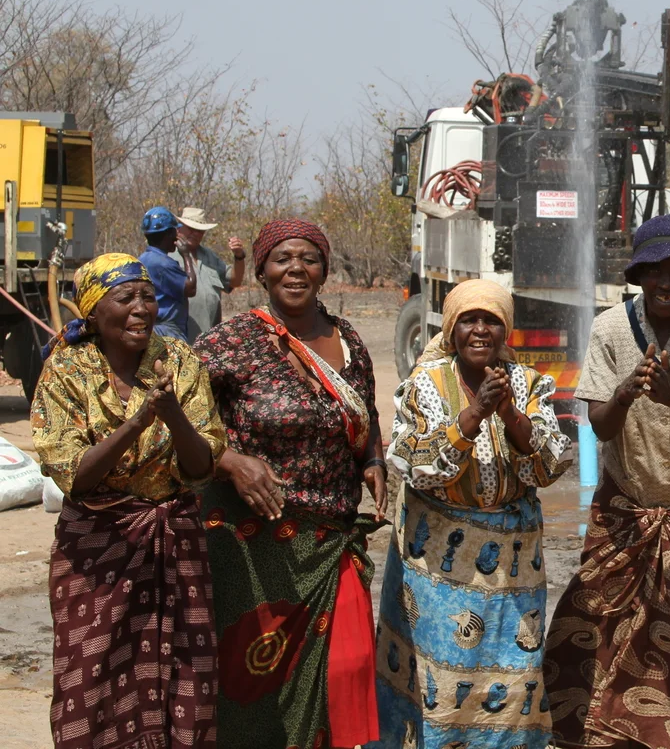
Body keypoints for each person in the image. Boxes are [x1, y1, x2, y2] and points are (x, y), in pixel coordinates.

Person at [545, 215, 670, 749]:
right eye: (654, 270)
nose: (665, 282)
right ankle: (606, 735)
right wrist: (627, 394)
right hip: (626, 499)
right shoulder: (613, 328)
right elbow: (600, 424)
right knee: (596, 620)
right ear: (637, 275)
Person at [195, 219, 387, 749]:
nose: (296, 269)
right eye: (282, 259)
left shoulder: (348, 340)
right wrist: (230, 460)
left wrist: (371, 459)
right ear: (261, 270)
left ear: (325, 269)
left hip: (330, 543)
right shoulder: (234, 340)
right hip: (251, 545)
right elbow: (179, 416)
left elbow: (364, 414)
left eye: (308, 258)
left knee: (343, 670)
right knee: (251, 677)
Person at [31, 253, 227, 749]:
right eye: (127, 298)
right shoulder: (66, 369)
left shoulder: (179, 362)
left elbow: (202, 466)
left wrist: (172, 416)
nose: (143, 307)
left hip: (174, 542)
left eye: (147, 296)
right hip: (96, 550)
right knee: (89, 678)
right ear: (94, 312)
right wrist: (135, 424)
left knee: (187, 681)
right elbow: (74, 476)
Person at [375, 278, 573, 749]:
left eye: (492, 321)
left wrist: (508, 414)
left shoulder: (528, 384)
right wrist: (473, 415)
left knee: (515, 673)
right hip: (438, 565)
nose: (480, 330)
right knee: (442, 683)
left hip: (512, 565)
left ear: (506, 331)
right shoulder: (424, 385)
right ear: (451, 329)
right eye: (469, 320)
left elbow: (550, 464)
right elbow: (414, 466)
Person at [171, 206, 246, 341]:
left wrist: (239, 256)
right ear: (179, 228)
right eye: (191, 229)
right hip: (177, 339)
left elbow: (235, 281)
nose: (195, 233)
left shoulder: (210, 257)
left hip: (208, 339)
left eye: (199, 231)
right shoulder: (168, 256)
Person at [139, 205, 195, 340]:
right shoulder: (162, 263)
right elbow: (190, 288)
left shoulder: (143, 259)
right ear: (169, 234)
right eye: (174, 232)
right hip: (167, 331)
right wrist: (186, 255)